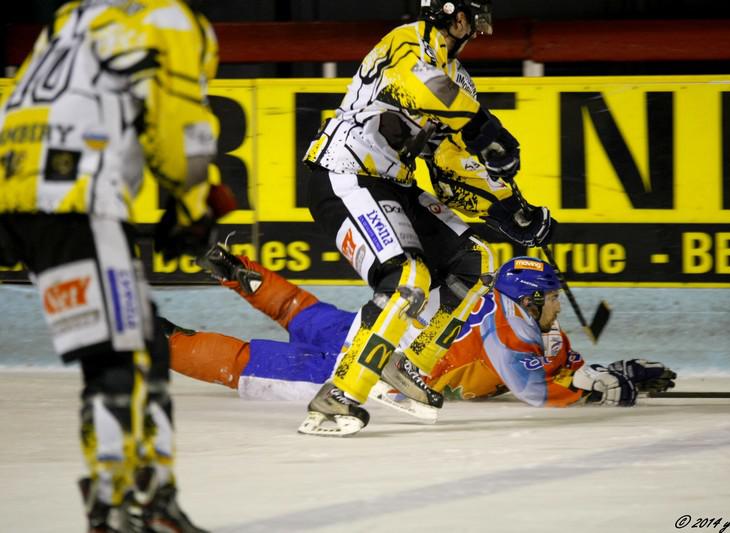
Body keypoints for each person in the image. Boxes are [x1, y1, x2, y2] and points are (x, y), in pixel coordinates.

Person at [0, 1, 233, 531]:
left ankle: (129, 503)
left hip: (17, 189)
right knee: (130, 356)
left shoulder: (74, 13)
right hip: (74, 190)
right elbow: (179, 118)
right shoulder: (171, 18)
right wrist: (192, 204)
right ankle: (132, 508)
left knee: (127, 346)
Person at [298, 0, 556, 436]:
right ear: (458, 17)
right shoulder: (406, 43)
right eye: (475, 18)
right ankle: (338, 394)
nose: (478, 28)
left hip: (391, 182)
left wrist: (512, 208)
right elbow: (420, 86)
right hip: (345, 172)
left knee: (476, 261)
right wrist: (483, 128)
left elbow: (451, 169)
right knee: (407, 276)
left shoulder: (460, 83)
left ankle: (408, 363)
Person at [163, 253, 675, 415]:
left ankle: (242, 273)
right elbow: (536, 389)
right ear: (529, 302)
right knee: (246, 364)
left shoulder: (519, 318)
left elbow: (559, 364)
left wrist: (612, 373)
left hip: (377, 328)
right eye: (551, 296)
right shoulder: (511, 332)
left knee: (301, 311)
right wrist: (609, 390)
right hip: (370, 372)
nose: (559, 305)